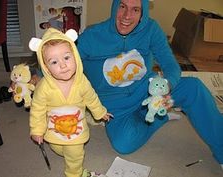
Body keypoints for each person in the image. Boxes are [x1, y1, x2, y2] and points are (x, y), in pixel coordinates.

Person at [76, 0, 223, 170]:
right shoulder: (92, 36)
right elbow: (64, 61)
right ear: (115, 6)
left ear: (142, 13)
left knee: (194, 88)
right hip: (116, 107)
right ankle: (161, 116)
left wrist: (167, 84)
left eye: (135, 9)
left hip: (151, 92)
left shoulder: (151, 29)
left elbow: (170, 64)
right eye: (122, 6)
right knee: (124, 144)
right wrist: (39, 77)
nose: (126, 16)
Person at [29, 28, 112, 177]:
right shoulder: (43, 87)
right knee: (58, 148)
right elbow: (37, 109)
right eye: (54, 62)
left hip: (76, 130)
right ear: (46, 67)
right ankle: (66, 152)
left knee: (75, 154)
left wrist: (101, 112)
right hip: (53, 130)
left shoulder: (82, 82)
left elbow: (91, 98)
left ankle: (74, 173)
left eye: (67, 58)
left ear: (75, 56)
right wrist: (37, 129)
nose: (62, 65)